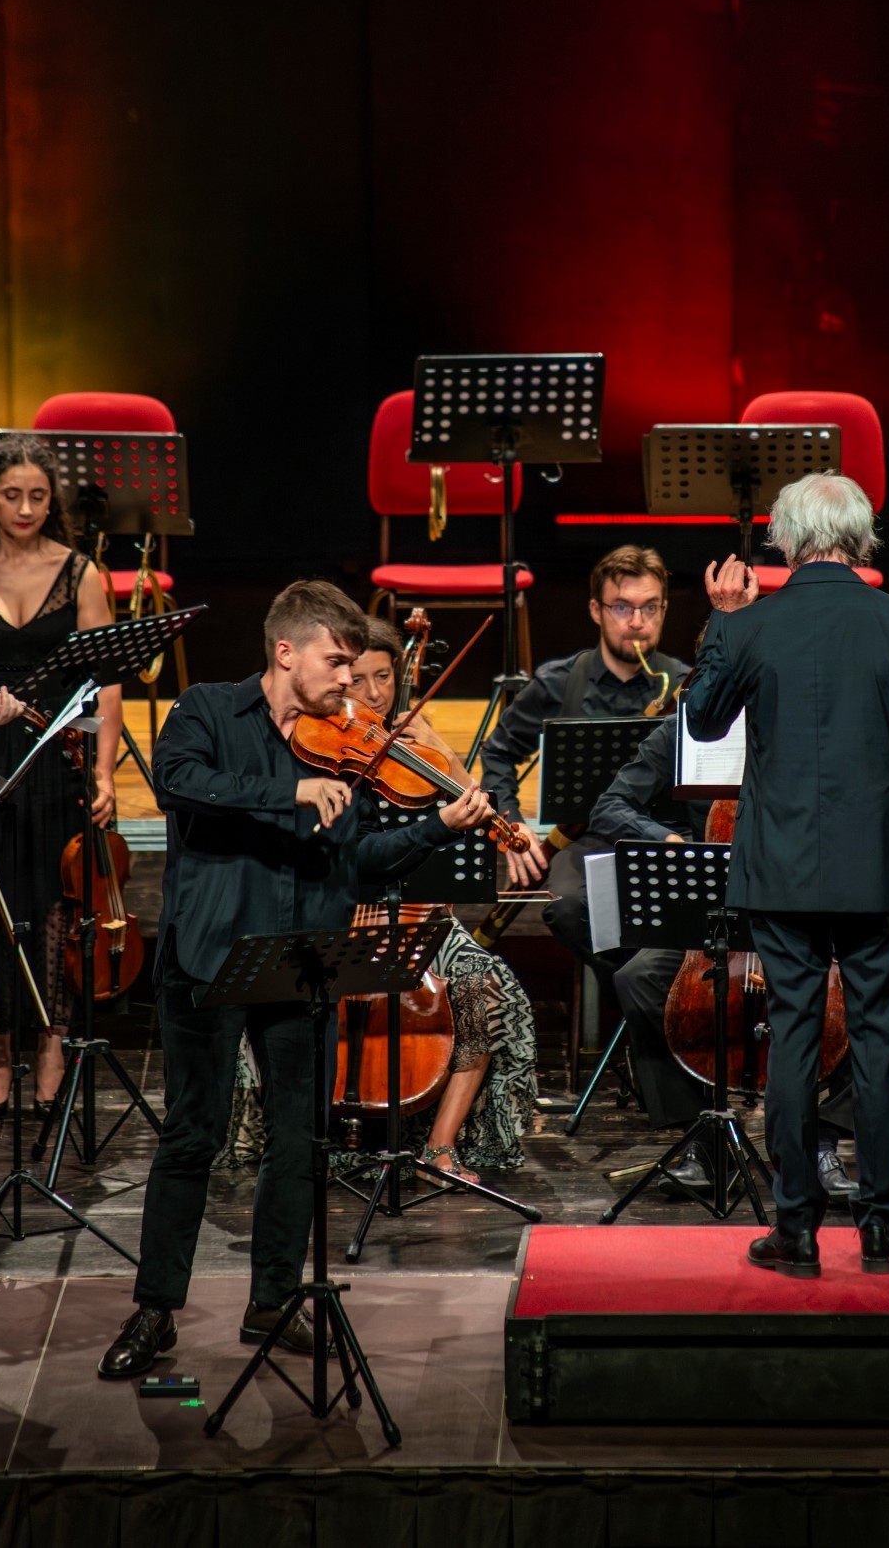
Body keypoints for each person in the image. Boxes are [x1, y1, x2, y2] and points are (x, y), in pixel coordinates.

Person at [97, 580, 493, 1381]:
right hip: (206, 959)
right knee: (191, 1137)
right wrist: (288, 790)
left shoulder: (346, 742)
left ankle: (273, 1298)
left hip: (302, 961)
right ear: (286, 651)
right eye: (337, 661)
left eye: (353, 664)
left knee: (299, 1139)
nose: (351, 679)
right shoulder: (206, 708)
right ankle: (155, 1307)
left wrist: (431, 827)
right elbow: (181, 784)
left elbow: (352, 862)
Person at [686, 474, 889, 1276]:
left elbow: (702, 720)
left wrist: (721, 622)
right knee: (881, 1043)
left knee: (794, 1041)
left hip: (779, 872)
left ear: (785, 537)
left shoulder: (750, 626)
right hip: (878, 870)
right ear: (861, 536)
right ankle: (880, 1226)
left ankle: (795, 1228)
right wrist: (885, 805)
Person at [0, 433, 124, 1118]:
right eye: (13, 495)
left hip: (56, 753)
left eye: (39, 496)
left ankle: (50, 1044)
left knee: (56, 912)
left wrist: (104, 773)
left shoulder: (80, 572)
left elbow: (106, 681)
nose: (26, 507)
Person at [588, 711, 860, 1204]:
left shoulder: (819, 729)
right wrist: (669, 843)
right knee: (638, 979)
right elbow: (610, 807)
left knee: (870, 987)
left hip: (805, 907)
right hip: (715, 917)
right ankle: (702, 1137)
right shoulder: (685, 732)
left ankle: (823, 1142)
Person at [339, 617, 538, 1178]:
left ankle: (440, 1145)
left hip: (421, 913)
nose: (375, 693)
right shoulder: (327, 747)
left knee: (482, 983)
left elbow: (473, 809)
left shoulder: (414, 747)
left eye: (384, 677)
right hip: (347, 911)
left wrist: (439, 749)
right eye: (358, 679)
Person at [479, 544, 690, 976]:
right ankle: (644, 996)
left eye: (650, 608)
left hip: (670, 835)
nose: (637, 622)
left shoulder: (688, 685)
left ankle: (650, 996)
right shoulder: (558, 682)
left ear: (665, 608)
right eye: (622, 608)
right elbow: (499, 751)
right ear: (596, 610)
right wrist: (511, 821)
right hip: (590, 840)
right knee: (567, 907)